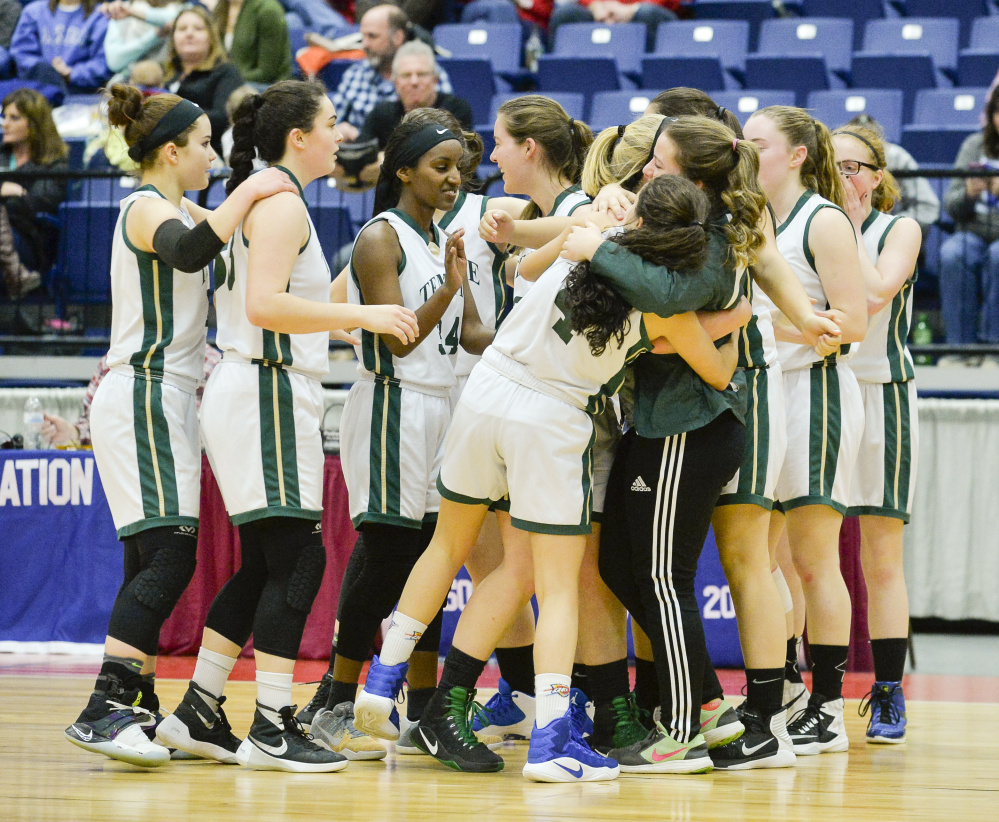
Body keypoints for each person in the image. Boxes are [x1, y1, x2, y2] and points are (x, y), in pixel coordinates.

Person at [354, 173, 741, 782]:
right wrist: (736, 319)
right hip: (551, 415)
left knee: (447, 546)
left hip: (487, 389)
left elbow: (521, 269)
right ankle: (552, 740)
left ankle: (382, 682)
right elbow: (716, 373)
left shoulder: (586, 231)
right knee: (558, 585)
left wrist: (599, 206)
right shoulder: (667, 309)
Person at [155, 80, 419, 773]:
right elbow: (267, 305)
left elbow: (291, 298)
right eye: (332, 122)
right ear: (298, 137)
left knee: (268, 561)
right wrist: (362, 318)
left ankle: (200, 707)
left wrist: (357, 303)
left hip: (256, 388)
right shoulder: (279, 203)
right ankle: (273, 725)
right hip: (265, 389)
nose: (341, 133)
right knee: (300, 560)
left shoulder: (269, 197)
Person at [62, 83, 299, 768]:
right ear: (172, 150)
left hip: (166, 395)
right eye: (204, 145)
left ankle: (135, 701)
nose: (214, 157)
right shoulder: (144, 207)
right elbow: (193, 251)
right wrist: (250, 193)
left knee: (150, 554)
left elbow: (219, 252)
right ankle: (106, 707)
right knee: (170, 554)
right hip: (142, 389)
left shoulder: (182, 207)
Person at [299, 113, 492, 762]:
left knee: (428, 565)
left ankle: (418, 706)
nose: (452, 179)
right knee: (383, 553)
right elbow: (397, 332)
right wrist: (453, 288)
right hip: (391, 406)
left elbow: (466, 337)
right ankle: (333, 699)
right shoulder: (379, 239)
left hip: (442, 406)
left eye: (457, 169)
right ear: (403, 170)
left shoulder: (441, 237)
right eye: (440, 167)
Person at [742, 105, 868, 756]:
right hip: (763, 390)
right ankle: (780, 687)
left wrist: (764, 326)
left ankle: (825, 701)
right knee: (762, 558)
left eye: (756, 142)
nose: (744, 149)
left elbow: (850, 324)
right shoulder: (750, 217)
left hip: (813, 391)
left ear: (793, 154)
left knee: (817, 561)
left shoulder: (820, 219)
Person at [832, 122, 921, 744]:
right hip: (823, 391)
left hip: (882, 391)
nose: (846, 179)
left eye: (855, 167)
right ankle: (807, 690)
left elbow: (876, 291)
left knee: (880, 556)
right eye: (833, 168)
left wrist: (853, 229)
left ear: (878, 175)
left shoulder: (900, 228)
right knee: (802, 553)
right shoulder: (804, 225)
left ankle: (888, 692)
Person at [42, 347, 221, 448]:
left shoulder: (213, 366)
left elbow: (214, 436)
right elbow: (93, 422)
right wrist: (74, 433)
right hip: (128, 475)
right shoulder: (113, 362)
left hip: (191, 481)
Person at [329, 3, 452, 141]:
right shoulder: (355, 74)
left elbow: (445, 128)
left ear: (398, 37)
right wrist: (339, 131)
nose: (365, 44)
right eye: (363, 37)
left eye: (372, 36)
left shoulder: (427, 73)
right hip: (359, 156)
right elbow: (331, 124)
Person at [941, 84, 999, 350]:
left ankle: (992, 348)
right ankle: (959, 348)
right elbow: (951, 205)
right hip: (972, 232)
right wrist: (969, 194)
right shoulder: (973, 145)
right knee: (952, 253)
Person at [0, 88, 68, 300]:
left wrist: (13, 194)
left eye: (14, 118)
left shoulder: (54, 164)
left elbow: (41, 203)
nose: (5, 123)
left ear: (33, 124)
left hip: (31, 239)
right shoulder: (1, 154)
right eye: (4, 116)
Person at [360, 41, 473, 150]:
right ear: (395, 82)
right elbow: (360, 159)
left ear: (435, 80)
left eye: (421, 74)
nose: (414, 82)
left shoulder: (455, 110)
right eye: (406, 75)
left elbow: (465, 161)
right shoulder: (381, 115)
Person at [162, 6, 243, 153]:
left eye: (198, 29)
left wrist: (174, 116)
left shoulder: (225, 72)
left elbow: (222, 118)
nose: (189, 34)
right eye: (182, 29)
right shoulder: (163, 72)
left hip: (210, 152)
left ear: (211, 37)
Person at [9, 0, 110, 91]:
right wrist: (48, 72)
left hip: (80, 91)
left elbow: (102, 62)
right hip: (37, 88)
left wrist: (71, 73)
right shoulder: (33, 12)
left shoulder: (100, 14)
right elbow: (21, 54)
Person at [212, 0, 291, 85]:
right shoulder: (221, 7)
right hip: (229, 81)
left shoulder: (268, 10)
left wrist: (225, 79)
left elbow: (267, 73)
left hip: (265, 87)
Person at [548, 0, 679, 51]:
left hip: (646, 11)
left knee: (647, 13)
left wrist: (631, 9)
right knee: (565, 14)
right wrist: (595, 4)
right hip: (602, 11)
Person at [100, 0, 183, 78]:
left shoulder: (181, 9)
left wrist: (132, 12)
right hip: (128, 78)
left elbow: (176, 18)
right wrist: (155, 36)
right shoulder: (120, 9)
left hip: (164, 78)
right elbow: (115, 61)